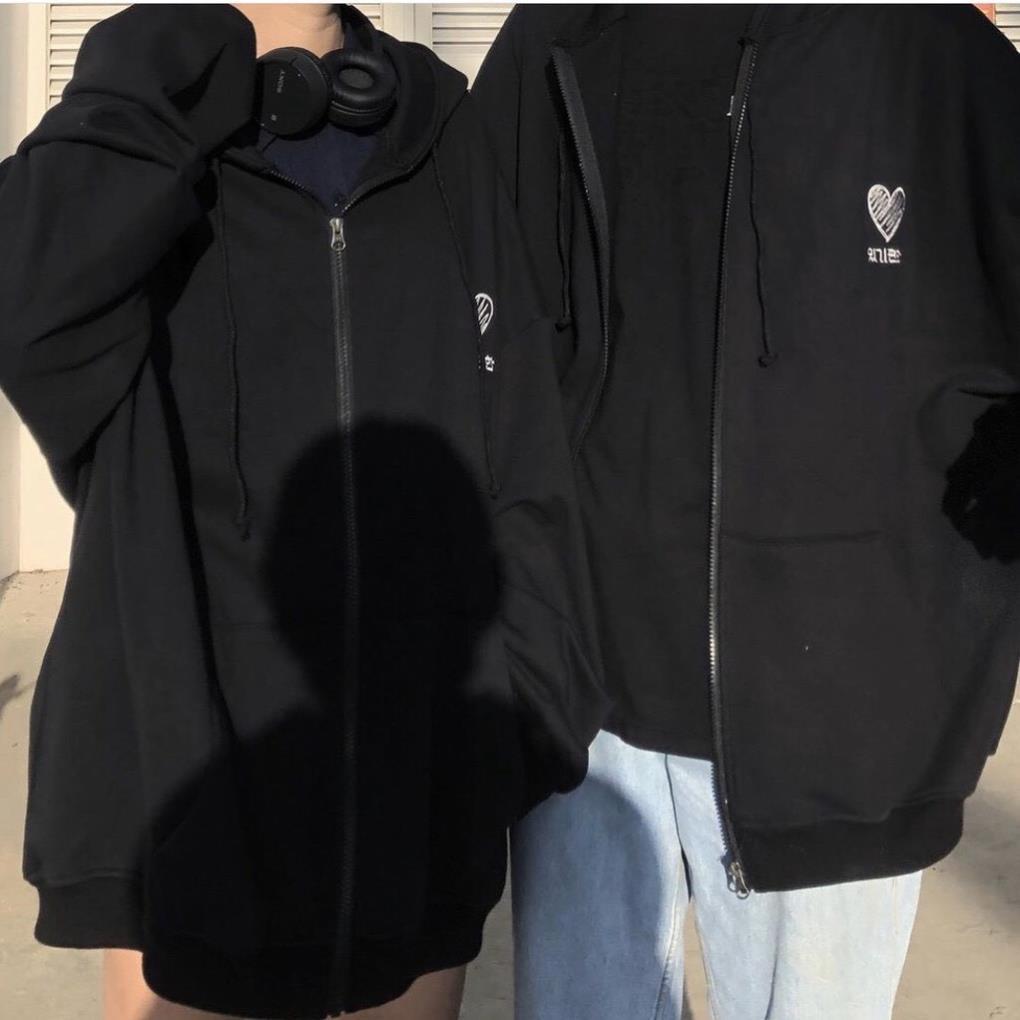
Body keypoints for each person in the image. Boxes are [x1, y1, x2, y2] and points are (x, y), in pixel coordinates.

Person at [0, 4, 607, 1019]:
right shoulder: (149, 113)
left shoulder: (443, 128)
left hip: (417, 787)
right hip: (188, 783)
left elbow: (522, 437)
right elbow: (27, 306)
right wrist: (182, 47)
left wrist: (521, 714)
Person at [473, 5, 1020, 1018]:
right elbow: (462, 310)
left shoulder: (936, 54)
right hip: (587, 694)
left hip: (841, 716)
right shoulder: (556, 32)